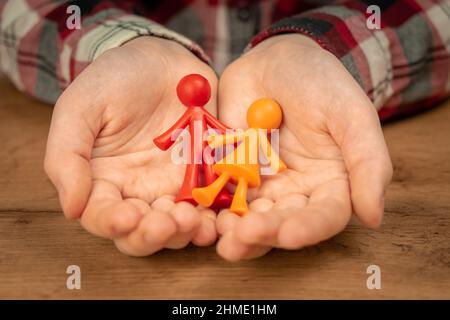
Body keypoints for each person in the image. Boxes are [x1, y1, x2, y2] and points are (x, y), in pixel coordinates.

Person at [0, 1, 449, 261]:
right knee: (207, 179)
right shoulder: (208, 122)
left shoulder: (252, 136)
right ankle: (205, 191)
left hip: (237, 167)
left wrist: (320, 52)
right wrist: (119, 45)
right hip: (212, 160)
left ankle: (216, 192)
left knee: (221, 182)